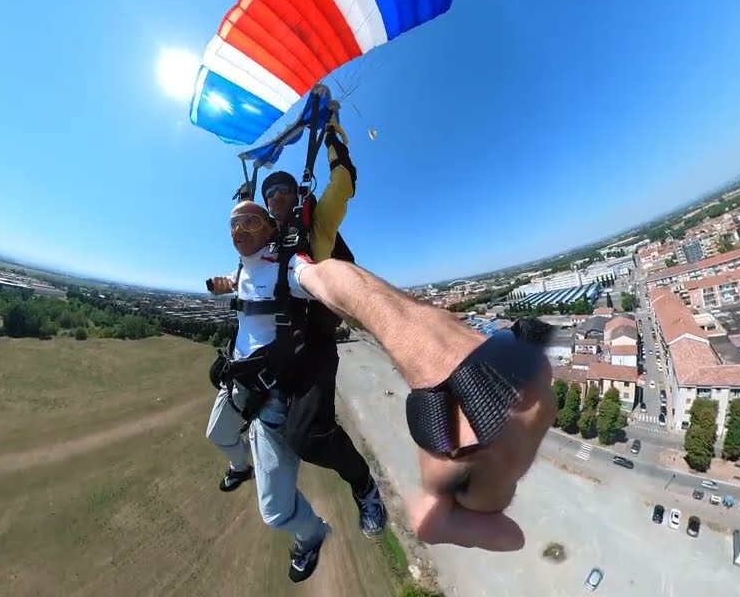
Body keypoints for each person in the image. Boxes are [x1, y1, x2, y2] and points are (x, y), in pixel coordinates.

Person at [262, 257, 558, 553]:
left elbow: (511, 539)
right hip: (493, 375)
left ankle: (366, 488)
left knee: (440, 514)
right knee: (437, 516)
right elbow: (341, 283)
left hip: (454, 416)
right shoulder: (436, 319)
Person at [255, 120, 387, 539]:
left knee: (307, 436)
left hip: (314, 344)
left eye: (284, 188)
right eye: (269, 191)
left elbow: (343, 183)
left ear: (296, 194)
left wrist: (331, 135)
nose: (277, 195)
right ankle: (245, 463)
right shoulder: (264, 244)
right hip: (280, 346)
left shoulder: (316, 228)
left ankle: (364, 486)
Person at [205, 200, 333, 583]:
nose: (238, 229)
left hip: (275, 392)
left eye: (248, 221)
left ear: (268, 228)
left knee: (276, 512)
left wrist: (327, 281)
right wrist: (221, 285)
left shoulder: (288, 267)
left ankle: (311, 534)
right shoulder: (244, 266)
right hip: (241, 378)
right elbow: (236, 283)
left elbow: (313, 279)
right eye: (233, 223)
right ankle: (242, 466)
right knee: (218, 434)